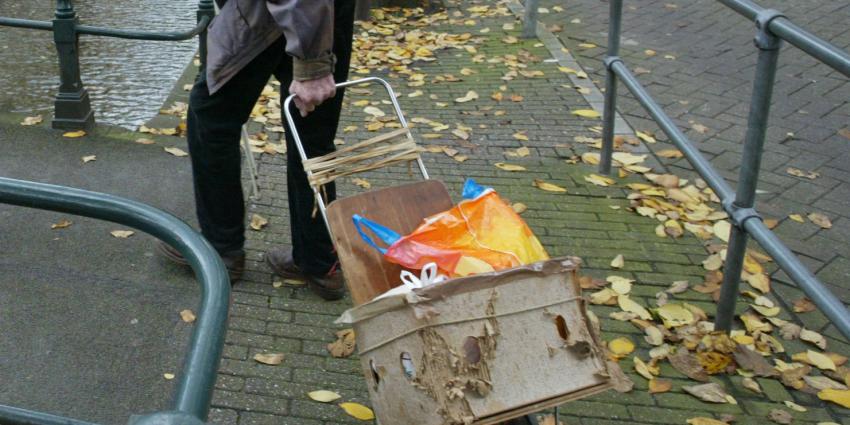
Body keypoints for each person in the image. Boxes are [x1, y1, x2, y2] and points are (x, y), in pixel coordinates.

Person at [159, 0, 354, 300]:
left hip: (274, 13)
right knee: (313, 139)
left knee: (210, 117)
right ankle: (319, 262)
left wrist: (312, 64)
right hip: (321, 14)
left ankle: (221, 251)